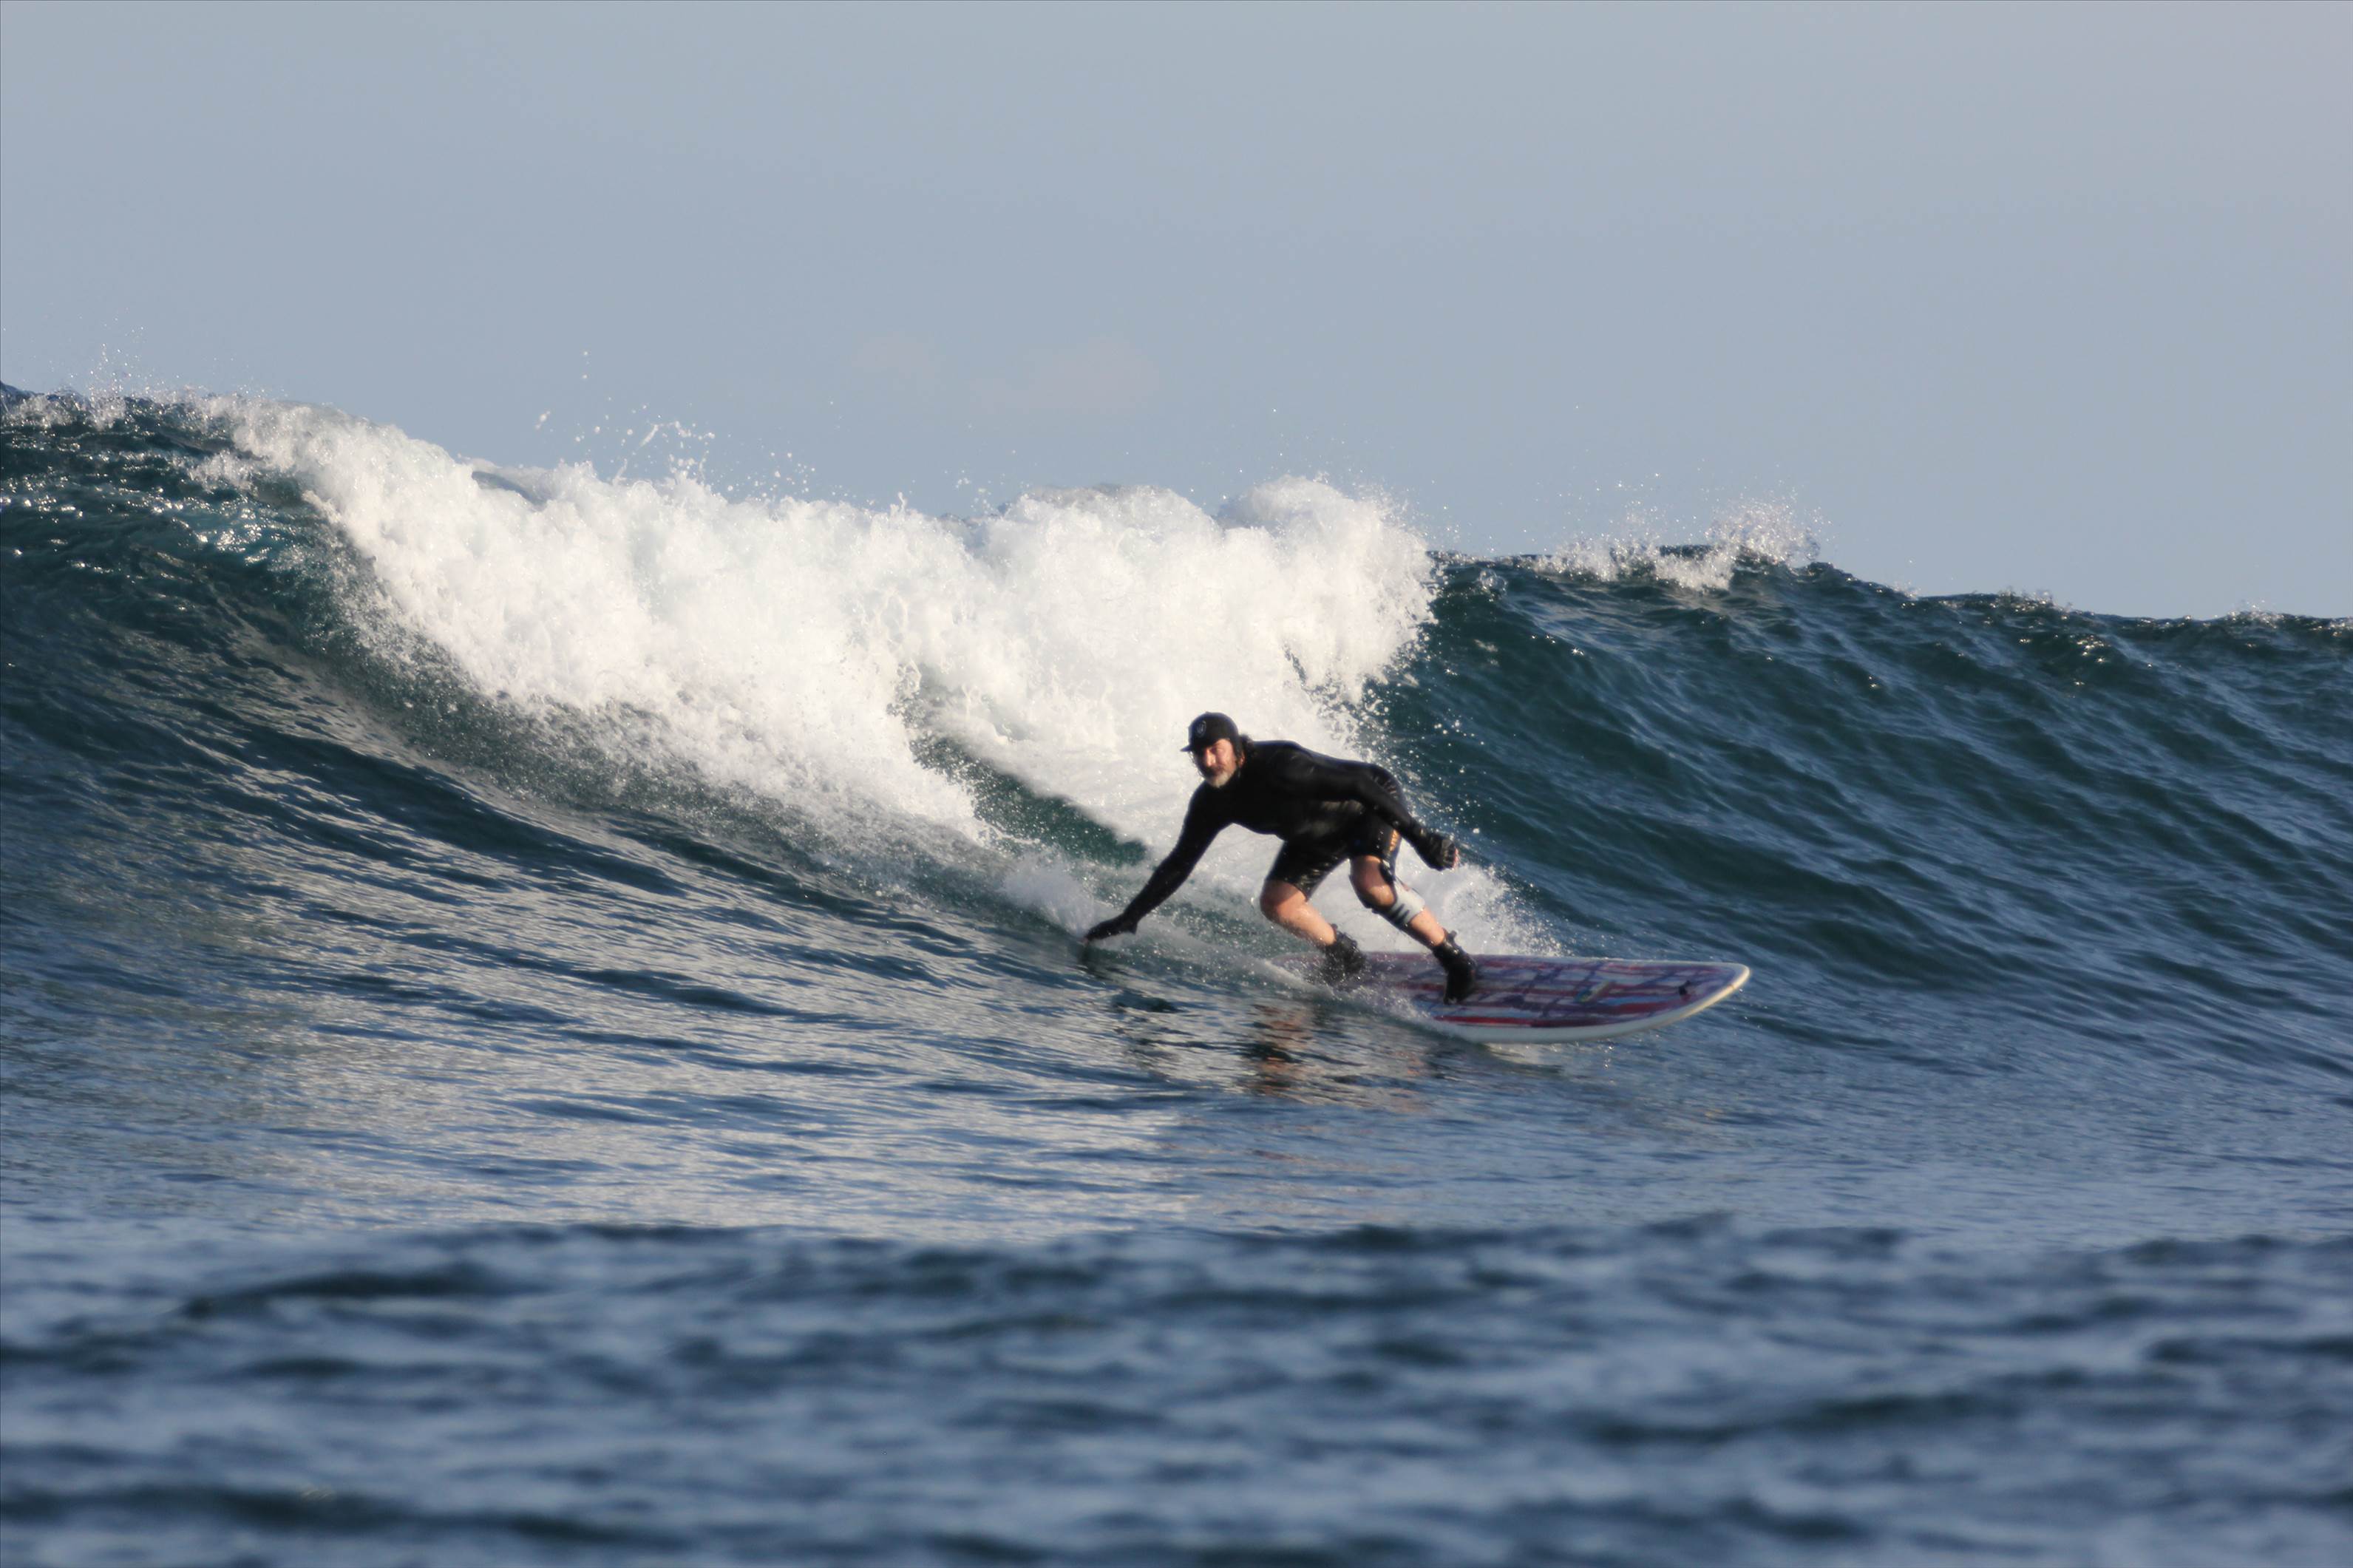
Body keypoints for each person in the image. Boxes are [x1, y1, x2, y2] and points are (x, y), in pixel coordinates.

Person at [1082, 712, 1480, 1002]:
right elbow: (1180, 863)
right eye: (1198, 754)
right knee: (1276, 904)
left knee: (1370, 887)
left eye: (1215, 751)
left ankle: (1454, 959)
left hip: (1367, 809)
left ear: (1237, 748)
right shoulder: (1212, 802)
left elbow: (1361, 784)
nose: (1207, 762)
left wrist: (1422, 837)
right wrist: (1131, 917)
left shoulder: (1282, 767)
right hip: (1313, 835)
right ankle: (1345, 957)